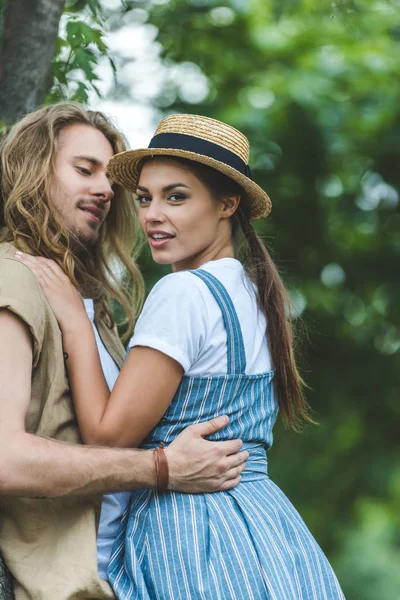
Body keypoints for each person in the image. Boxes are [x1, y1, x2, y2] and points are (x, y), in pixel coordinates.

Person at [17, 113, 346, 599]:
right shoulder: (258, 296)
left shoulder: (183, 292)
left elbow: (109, 437)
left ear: (227, 204)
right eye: (145, 198)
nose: (152, 216)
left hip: (195, 534)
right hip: (269, 531)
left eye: (177, 197)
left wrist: (75, 323)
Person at [0, 104, 248, 600]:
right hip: (67, 585)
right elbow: (4, 458)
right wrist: (160, 468)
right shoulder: (14, 277)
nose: (105, 190)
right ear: (30, 172)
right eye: (84, 169)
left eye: (109, 180)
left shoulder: (86, 303)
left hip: (132, 577)